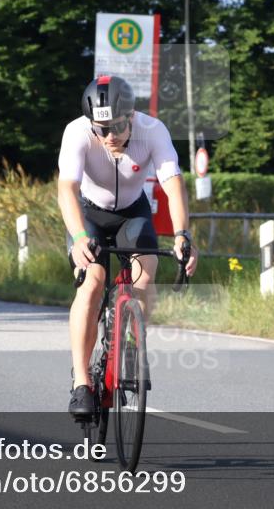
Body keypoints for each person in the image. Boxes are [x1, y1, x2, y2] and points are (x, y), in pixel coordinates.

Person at [58, 75, 198, 416]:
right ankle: (81, 382)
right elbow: (67, 190)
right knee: (91, 284)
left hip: (133, 213)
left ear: (131, 116)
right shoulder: (77, 132)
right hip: (90, 215)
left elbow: (173, 183)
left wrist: (183, 235)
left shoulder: (153, 130)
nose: (109, 137)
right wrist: (78, 239)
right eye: (100, 129)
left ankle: (132, 342)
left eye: (117, 127)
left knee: (145, 275)